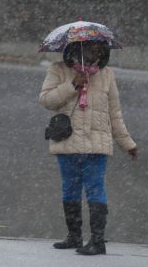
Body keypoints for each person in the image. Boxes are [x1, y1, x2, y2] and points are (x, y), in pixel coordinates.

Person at [38, 40, 138, 256]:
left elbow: (115, 113)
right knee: (70, 189)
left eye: (100, 50)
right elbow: (46, 100)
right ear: (76, 49)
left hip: (96, 144)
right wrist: (72, 85)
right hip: (67, 140)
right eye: (90, 49)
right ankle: (74, 236)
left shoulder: (107, 75)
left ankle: (97, 240)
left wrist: (127, 143)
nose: (96, 53)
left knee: (95, 188)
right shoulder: (58, 70)